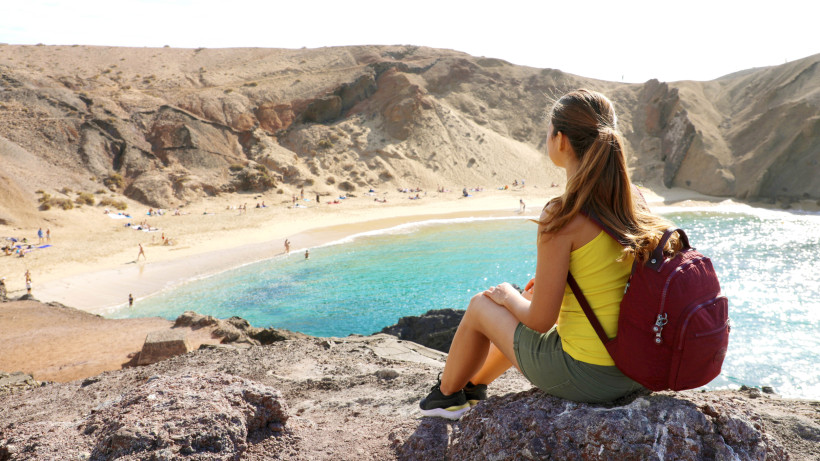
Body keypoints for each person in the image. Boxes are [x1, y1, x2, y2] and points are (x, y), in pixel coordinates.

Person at [419, 89, 680, 419]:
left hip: (589, 377)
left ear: (560, 140)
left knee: (481, 306)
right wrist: (534, 295)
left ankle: (446, 398)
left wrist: (508, 296)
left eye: (549, 132)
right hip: (637, 370)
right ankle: (473, 385)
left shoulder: (563, 213)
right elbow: (610, 278)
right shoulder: (635, 198)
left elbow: (540, 321)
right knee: (527, 299)